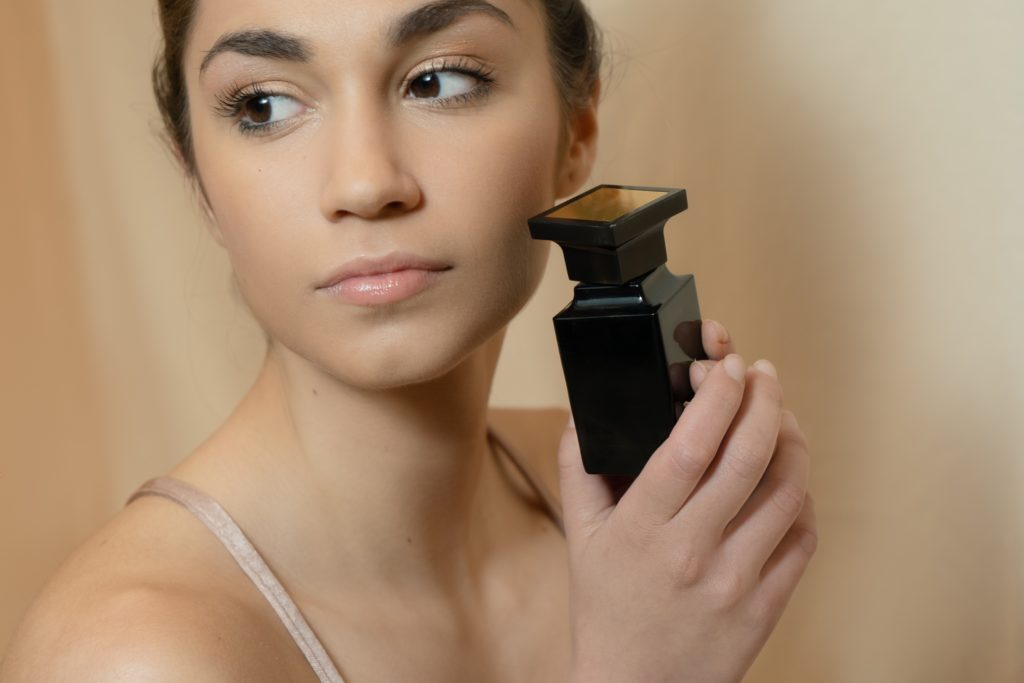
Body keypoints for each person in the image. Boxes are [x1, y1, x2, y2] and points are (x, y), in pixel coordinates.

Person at [0, 0, 817, 680]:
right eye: (265, 105)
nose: (366, 182)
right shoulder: (137, 655)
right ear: (198, 180)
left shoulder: (623, 512)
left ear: (577, 131)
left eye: (439, 80)